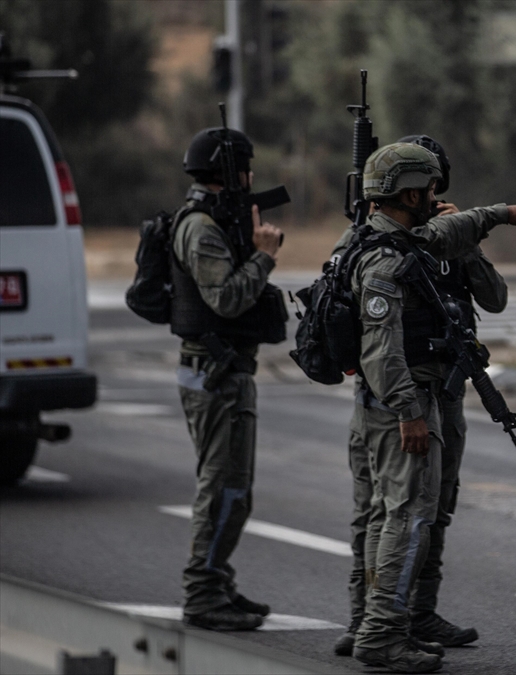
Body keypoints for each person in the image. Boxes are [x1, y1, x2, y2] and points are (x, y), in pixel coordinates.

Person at [349, 142, 516, 673]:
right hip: (404, 402)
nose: (437, 197)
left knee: (415, 513)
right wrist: (409, 411)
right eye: (430, 189)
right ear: (409, 192)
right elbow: (380, 349)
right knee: (403, 515)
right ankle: (380, 632)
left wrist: (499, 215)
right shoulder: (385, 258)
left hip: (429, 394)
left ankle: (393, 624)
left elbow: (458, 237)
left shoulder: (405, 239)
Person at [171, 127, 284, 631]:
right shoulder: (200, 227)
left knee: (235, 491)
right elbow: (226, 299)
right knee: (221, 491)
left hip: (226, 373)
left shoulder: (213, 220)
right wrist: (262, 255)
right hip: (215, 376)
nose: (252, 176)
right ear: (230, 170)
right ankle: (201, 595)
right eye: (246, 166)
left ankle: (217, 582)